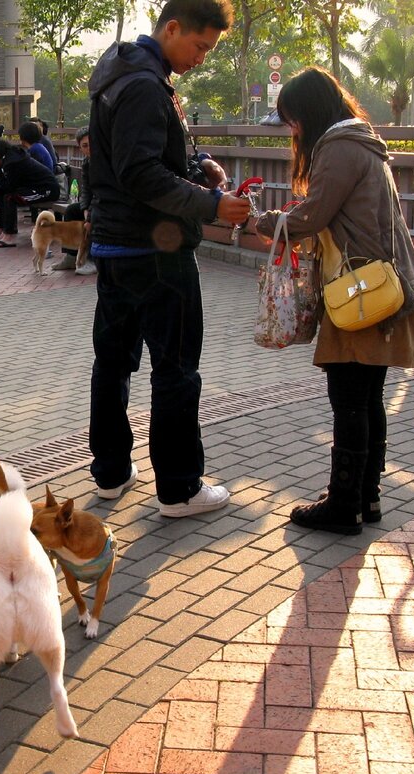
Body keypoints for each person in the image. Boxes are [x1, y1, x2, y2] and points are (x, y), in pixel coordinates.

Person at [86, 0, 249, 518]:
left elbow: (130, 163)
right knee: (176, 370)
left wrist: (197, 164)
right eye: (200, 46)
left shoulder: (122, 75)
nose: (201, 57)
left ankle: (111, 472)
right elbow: (142, 174)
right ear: (172, 28)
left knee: (112, 364)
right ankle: (178, 488)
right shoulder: (143, 85)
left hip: (114, 246)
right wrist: (211, 204)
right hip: (158, 254)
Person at [255, 67, 414, 534]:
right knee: (367, 399)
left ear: (309, 113)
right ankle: (365, 499)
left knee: (349, 400)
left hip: (359, 294)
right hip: (379, 289)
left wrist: (267, 222)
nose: (293, 130)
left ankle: (343, 505)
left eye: (292, 120)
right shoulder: (362, 141)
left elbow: (313, 215)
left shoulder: (338, 147)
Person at [52, 125, 96, 275]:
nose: (89, 148)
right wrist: (84, 209)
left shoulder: (105, 162)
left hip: (106, 203)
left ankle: (92, 259)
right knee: (71, 210)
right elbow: (86, 190)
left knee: (95, 216)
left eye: (92, 144)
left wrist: (89, 214)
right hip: (93, 203)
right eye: (85, 146)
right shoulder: (86, 163)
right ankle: (71, 256)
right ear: (80, 148)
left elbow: (102, 191)